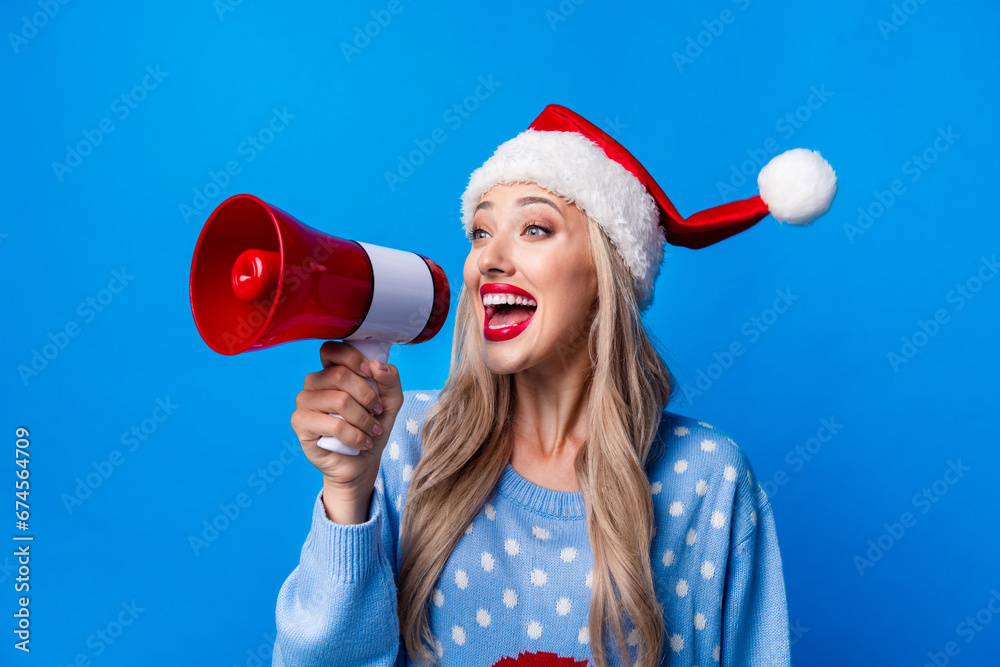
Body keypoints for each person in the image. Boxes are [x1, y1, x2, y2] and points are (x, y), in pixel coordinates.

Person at [272, 105, 837, 667]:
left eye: (534, 228)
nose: (488, 260)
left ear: (605, 271)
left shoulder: (709, 478)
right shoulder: (404, 444)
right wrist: (348, 495)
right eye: (480, 231)